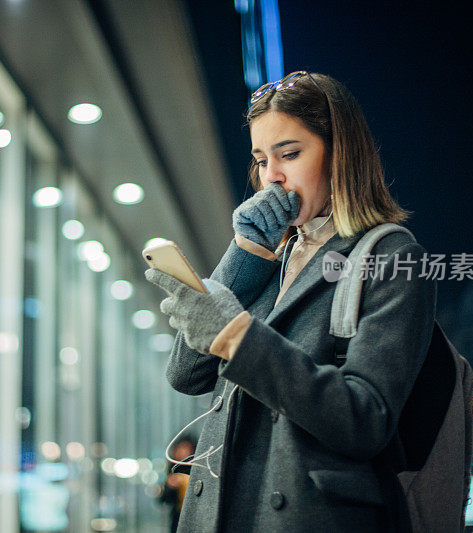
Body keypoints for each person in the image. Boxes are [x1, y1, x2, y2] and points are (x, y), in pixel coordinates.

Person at [145, 71, 436, 532]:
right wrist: (246, 253)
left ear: (341, 155)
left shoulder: (393, 256)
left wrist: (237, 336)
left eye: (290, 154)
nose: (271, 176)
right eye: (261, 160)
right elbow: (186, 373)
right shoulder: (271, 260)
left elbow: (365, 419)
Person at [159, 436, 197, 532]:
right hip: (178, 518)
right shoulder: (173, 471)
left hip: (196, 517)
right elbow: (163, 500)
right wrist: (169, 486)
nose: (181, 452)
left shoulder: (198, 468)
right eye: (179, 448)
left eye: (185, 448)